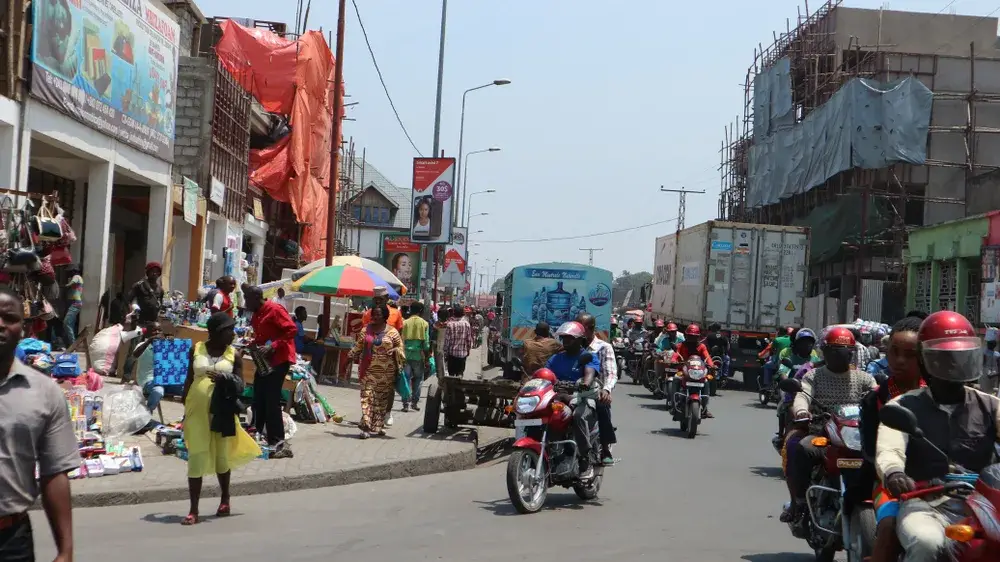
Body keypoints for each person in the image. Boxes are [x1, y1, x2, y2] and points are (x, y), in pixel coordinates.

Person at [875, 311, 1000, 562]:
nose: (954, 366)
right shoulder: (903, 406)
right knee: (926, 543)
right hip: (927, 503)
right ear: (924, 360)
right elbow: (890, 450)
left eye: (961, 358)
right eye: (945, 359)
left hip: (986, 504)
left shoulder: (990, 405)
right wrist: (894, 472)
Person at [0, 289, 78, 561]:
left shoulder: (45, 393)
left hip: (11, 541)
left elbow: (54, 472)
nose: (0, 324)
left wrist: (65, 551)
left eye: (9, 318)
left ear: (24, 328)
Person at [783, 326, 876, 527]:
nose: (840, 356)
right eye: (834, 351)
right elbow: (801, 395)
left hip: (856, 436)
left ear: (851, 353)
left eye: (844, 352)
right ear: (825, 352)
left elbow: (877, 397)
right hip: (821, 431)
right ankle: (800, 501)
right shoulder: (813, 375)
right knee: (803, 448)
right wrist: (801, 411)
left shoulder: (865, 378)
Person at [180, 312, 261, 525]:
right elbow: (189, 378)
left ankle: (225, 499)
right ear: (216, 332)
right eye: (229, 330)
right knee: (196, 455)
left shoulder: (234, 355)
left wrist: (225, 377)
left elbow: (242, 386)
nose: (233, 334)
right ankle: (193, 510)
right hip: (197, 411)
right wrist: (184, 410)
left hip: (222, 410)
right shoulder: (196, 349)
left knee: (221, 456)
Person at [858, 314, 925, 562]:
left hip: (946, 483)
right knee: (889, 525)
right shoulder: (875, 398)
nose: (899, 361)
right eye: (894, 352)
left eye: (910, 354)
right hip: (890, 482)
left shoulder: (941, 393)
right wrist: (893, 473)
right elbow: (870, 450)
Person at [244, 285, 297, 458]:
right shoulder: (256, 314)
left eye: (247, 299)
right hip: (265, 360)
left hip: (279, 359)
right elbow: (261, 335)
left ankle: (278, 441)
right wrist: (253, 344)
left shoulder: (274, 309)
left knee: (271, 399)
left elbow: (291, 329)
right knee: (258, 395)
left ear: (256, 298)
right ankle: (258, 433)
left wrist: (272, 346)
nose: (245, 302)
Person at [545, 321, 602, 479]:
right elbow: (544, 374)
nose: (565, 341)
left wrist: (579, 390)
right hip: (559, 398)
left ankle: (586, 459)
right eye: (564, 338)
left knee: (578, 416)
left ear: (579, 340)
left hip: (582, 398)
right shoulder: (556, 358)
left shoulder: (588, 357)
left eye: (570, 338)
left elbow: (588, 378)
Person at [348, 304, 405, 439]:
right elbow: (358, 347)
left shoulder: (393, 332)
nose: (375, 317)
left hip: (387, 373)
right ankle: (366, 427)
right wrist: (349, 358)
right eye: (374, 314)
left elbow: (400, 347)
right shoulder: (365, 330)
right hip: (368, 370)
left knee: (380, 401)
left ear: (385, 316)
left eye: (378, 314)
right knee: (367, 397)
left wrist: (395, 350)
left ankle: (377, 426)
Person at [577, 313, 617, 465]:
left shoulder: (603, 348)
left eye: (580, 328)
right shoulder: (571, 346)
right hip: (571, 390)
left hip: (594, 390)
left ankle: (605, 447)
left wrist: (606, 389)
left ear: (590, 329)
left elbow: (611, 373)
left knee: (602, 404)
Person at [774, 328, 821, 439]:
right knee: (783, 404)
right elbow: (782, 372)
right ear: (797, 344)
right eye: (803, 342)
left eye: (810, 342)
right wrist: (788, 381)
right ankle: (782, 433)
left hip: (811, 390)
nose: (807, 345)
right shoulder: (789, 358)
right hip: (792, 388)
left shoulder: (815, 359)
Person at [401, 301, 430, 412]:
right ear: (421, 311)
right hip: (418, 356)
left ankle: (405, 404)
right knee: (418, 379)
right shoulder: (424, 323)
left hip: (405, 355)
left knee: (406, 379)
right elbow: (426, 344)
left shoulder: (405, 322)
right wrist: (427, 357)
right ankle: (414, 402)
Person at [443, 305, 473, 378]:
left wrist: (445, 352)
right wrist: (468, 350)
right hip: (462, 354)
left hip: (451, 354)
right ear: (463, 314)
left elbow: (447, 341)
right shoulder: (467, 324)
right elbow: (469, 340)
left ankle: (451, 388)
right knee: (460, 374)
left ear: (454, 313)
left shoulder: (449, 324)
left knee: (451, 375)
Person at [293, 306, 325, 373]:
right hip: (300, 348)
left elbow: (304, 337)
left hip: (301, 345)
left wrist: (313, 341)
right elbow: (304, 339)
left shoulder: (299, 323)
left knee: (318, 347)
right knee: (320, 350)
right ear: (299, 315)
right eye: (304, 313)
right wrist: (314, 341)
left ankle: (314, 367)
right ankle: (312, 367)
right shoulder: (298, 324)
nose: (306, 315)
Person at [63, 263, 84, 343]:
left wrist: (64, 286)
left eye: (70, 271)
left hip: (75, 303)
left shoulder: (76, 277)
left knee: (66, 323)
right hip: (75, 303)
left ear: (74, 271)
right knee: (70, 324)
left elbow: (71, 284)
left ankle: (73, 343)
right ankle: (72, 343)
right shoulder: (79, 277)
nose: (68, 273)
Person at [431, 307, 450, 381]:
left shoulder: (436, 325)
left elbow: (433, 338)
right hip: (449, 348)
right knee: (447, 365)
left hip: (438, 348)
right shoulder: (450, 324)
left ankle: (441, 380)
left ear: (438, 316)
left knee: (439, 365)